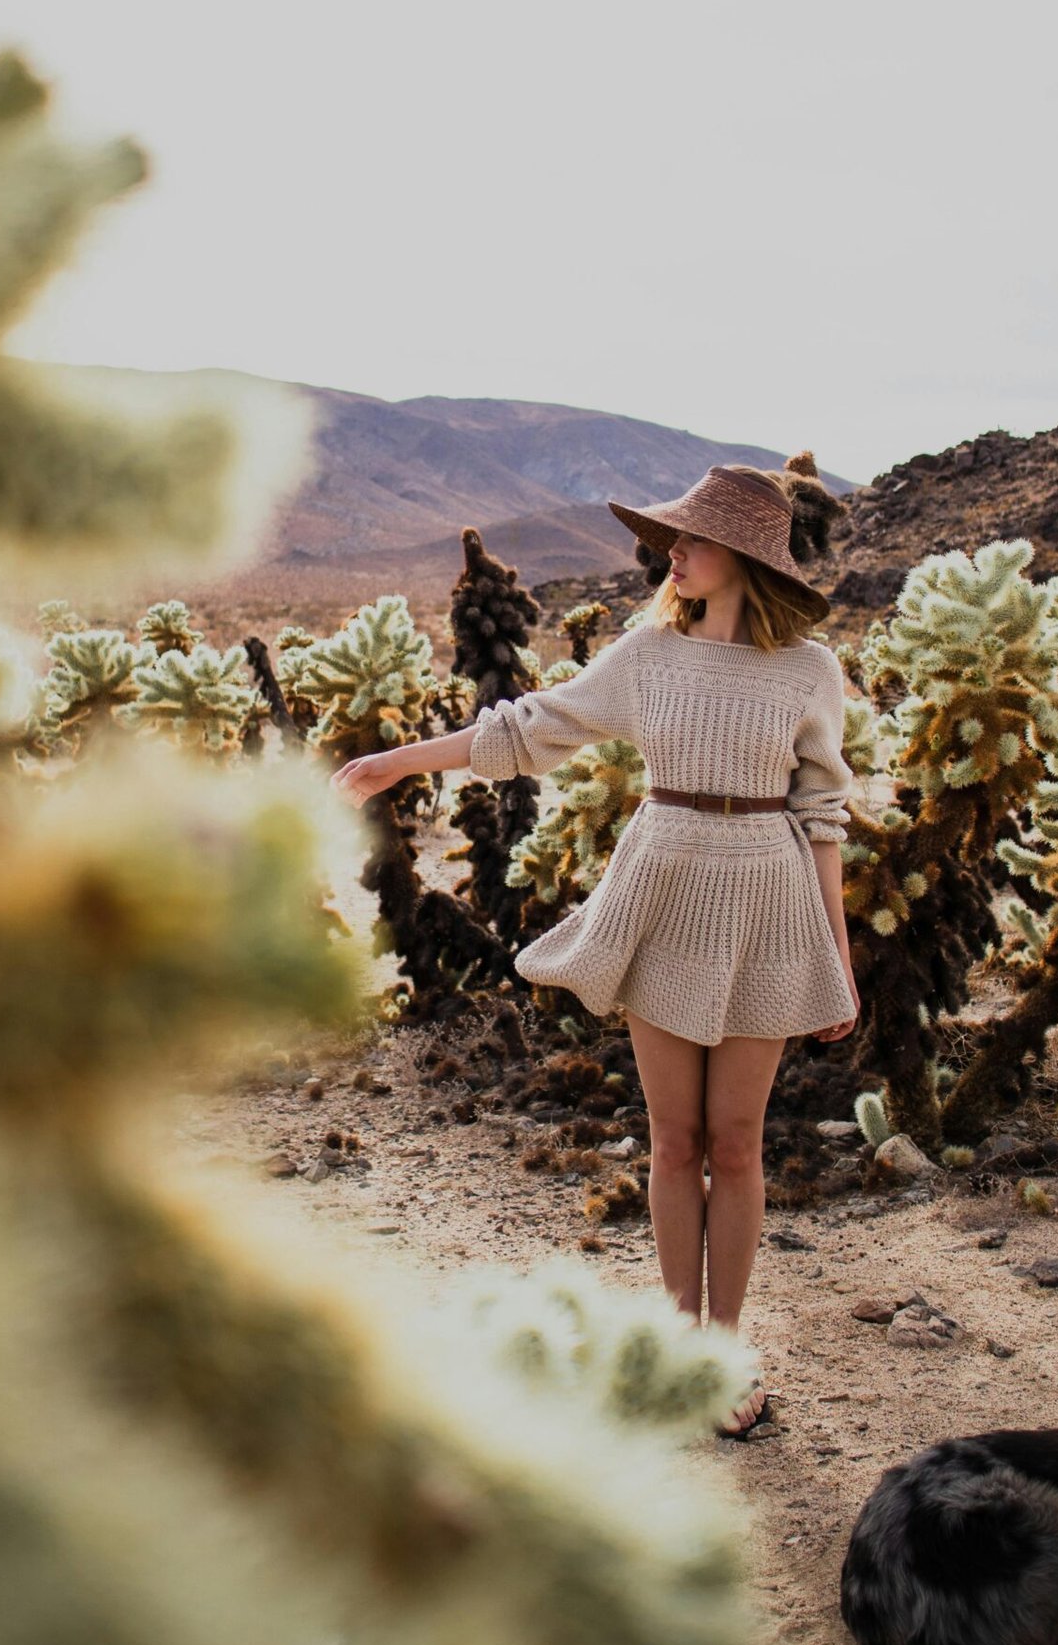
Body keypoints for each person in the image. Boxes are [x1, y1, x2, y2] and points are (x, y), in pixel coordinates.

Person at [331, 463, 861, 1437]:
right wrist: (394, 760)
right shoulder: (648, 654)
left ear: (743, 556)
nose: (671, 554)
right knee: (674, 1142)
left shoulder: (808, 672)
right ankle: (677, 1346)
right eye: (673, 540)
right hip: (661, 890)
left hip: (765, 902)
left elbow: (822, 813)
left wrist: (836, 960)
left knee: (738, 1147)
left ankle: (726, 1349)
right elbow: (535, 727)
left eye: (691, 540)